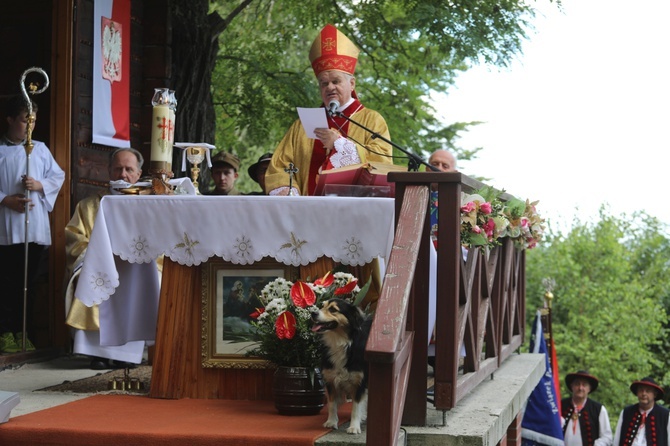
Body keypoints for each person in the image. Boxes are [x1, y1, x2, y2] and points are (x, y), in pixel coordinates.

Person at [264, 24, 394, 196]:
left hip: (354, 212)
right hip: (307, 211)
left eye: (336, 81)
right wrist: (289, 190)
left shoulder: (371, 120)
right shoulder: (303, 125)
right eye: (324, 83)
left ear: (352, 83)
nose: (329, 87)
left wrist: (341, 145)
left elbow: (383, 162)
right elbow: (279, 166)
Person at [65, 147, 149, 369]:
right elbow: (75, 240)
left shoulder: (150, 207)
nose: (123, 175)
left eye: (129, 169)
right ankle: (96, 353)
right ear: (109, 172)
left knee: (143, 282)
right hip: (98, 266)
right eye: (118, 169)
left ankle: (128, 354)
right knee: (91, 278)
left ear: (139, 174)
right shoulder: (88, 206)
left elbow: (157, 244)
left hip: (136, 267)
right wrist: (99, 259)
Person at [0, 95, 65, 354]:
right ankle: (6, 333)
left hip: (35, 227)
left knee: (29, 282)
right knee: (8, 282)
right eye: (26, 120)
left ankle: (23, 332)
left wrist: (39, 185)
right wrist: (5, 199)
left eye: (33, 120)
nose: (30, 126)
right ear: (10, 120)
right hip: (6, 226)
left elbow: (57, 175)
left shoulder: (39, 148)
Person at [613, 377, 670, 446]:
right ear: (637, 392)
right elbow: (617, 440)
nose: (644, 394)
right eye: (641, 390)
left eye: (648, 391)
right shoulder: (626, 412)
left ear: (654, 394)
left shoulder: (665, 415)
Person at [561, 370, 613, 446]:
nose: (580, 388)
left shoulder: (598, 409)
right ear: (571, 386)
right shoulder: (560, 405)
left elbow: (607, 437)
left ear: (589, 388)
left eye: (584, 385)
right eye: (577, 384)